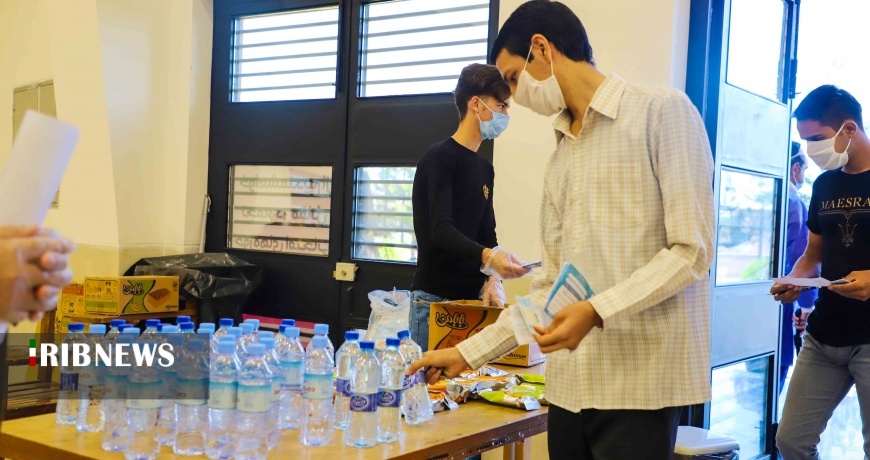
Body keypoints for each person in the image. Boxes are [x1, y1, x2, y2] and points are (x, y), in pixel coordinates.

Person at [408, 1, 715, 458]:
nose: (515, 97)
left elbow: (692, 251)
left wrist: (596, 310)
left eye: (514, 78)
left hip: (639, 385)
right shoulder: (561, 158)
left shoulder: (660, 112)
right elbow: (549, 292)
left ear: (541, 49)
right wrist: (465, 353)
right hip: (569, 389)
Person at [774, 85, 870, 459]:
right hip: (824, 336)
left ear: (849, 128)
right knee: (791, 441)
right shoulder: (825, 185)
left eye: (816, 139)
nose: (811, 150)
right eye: (806, 141)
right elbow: (813, 254)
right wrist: (795, 279)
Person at [410, 63, 530, 350]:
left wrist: (493, 278)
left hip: (473, 302)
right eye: (501, 106)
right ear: (476, 104)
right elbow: (441, 230)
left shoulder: (485, 168)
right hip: (434, 301)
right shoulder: (440, 158)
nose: (505, 115)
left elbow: (487, 234)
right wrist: (489, 257)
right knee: (427, 380)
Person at [780, 141, 817, 392]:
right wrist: (806, 307)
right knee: (779, 368)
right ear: (795, 169)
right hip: (785, 300)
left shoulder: (773, 196)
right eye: (804, 168)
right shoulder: (795, 203)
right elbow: (803, 257)